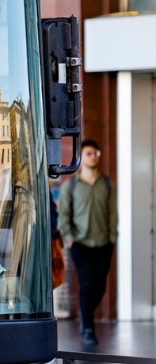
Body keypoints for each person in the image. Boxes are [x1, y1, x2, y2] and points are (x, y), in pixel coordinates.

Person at [57, 139, 118, 346]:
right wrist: (69, 238)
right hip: (80, 243)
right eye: (90, 153)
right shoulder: (71, 186)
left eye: (96, 153)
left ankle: (85, 315)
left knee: (99, 287)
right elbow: (63, 214)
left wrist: (113, 238)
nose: (93, 157)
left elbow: (112, 213)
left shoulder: (107, 184)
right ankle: (88, 328)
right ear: (82, 157)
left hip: (103, 242)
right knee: (87, 284)